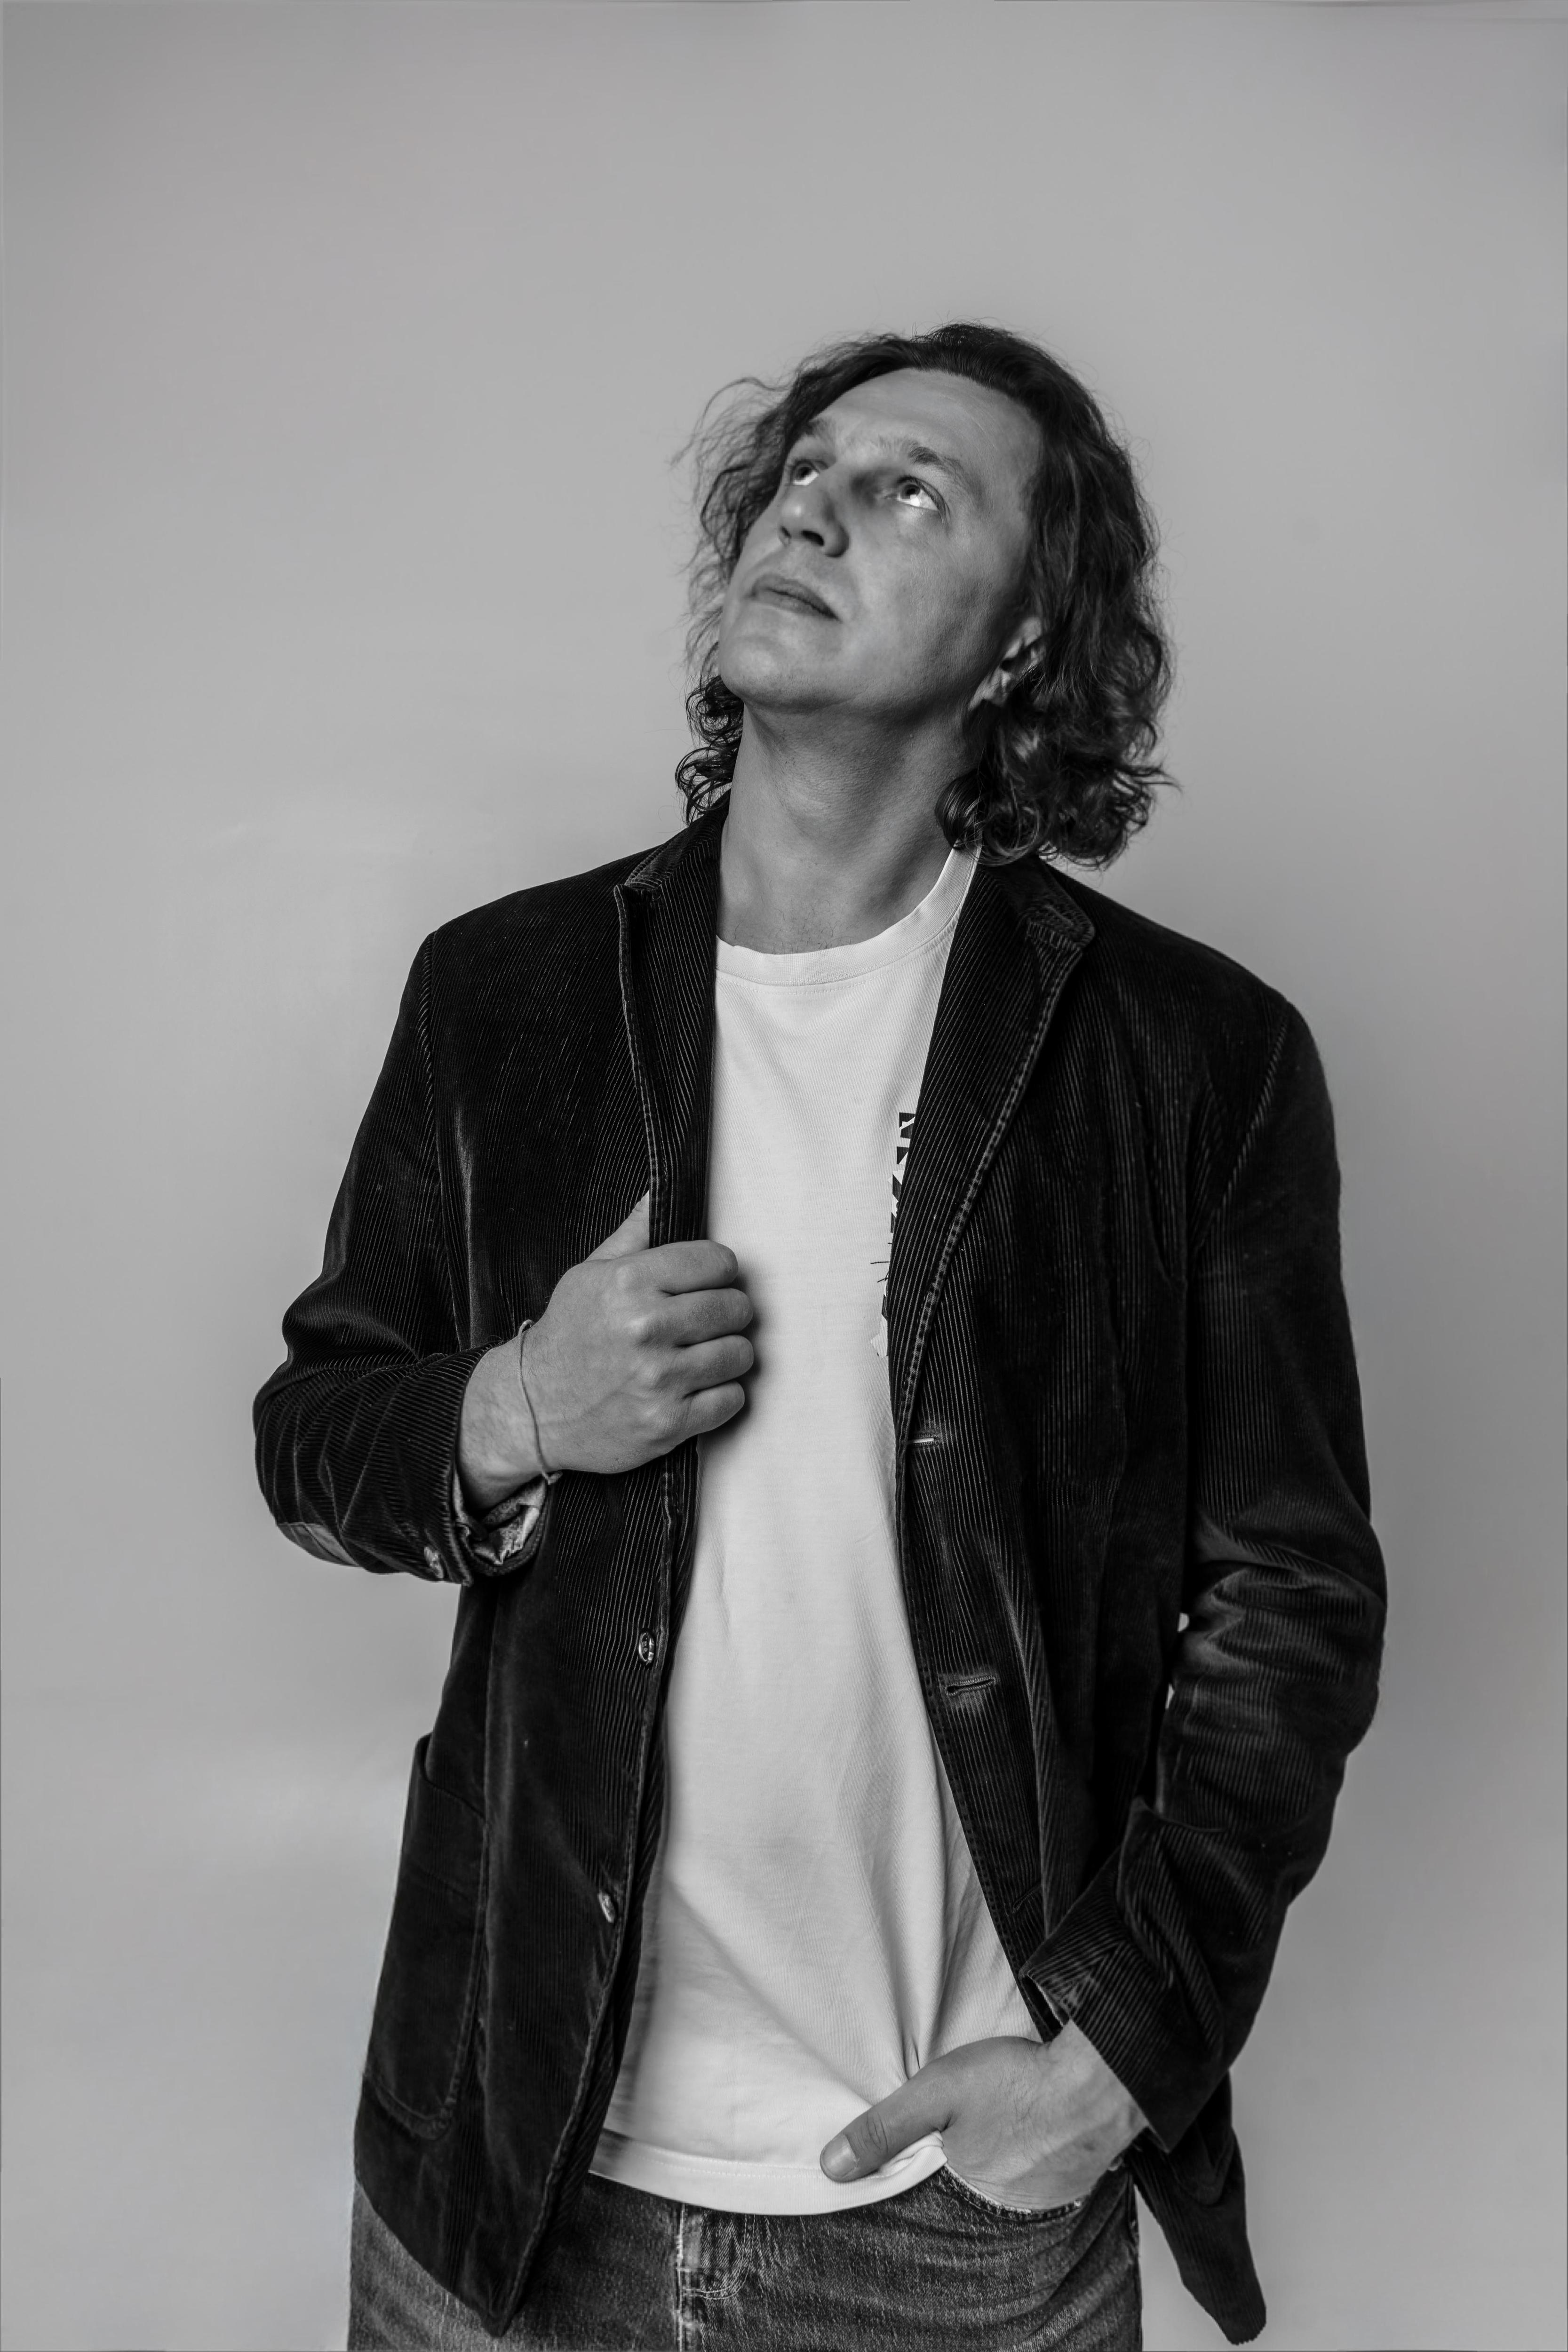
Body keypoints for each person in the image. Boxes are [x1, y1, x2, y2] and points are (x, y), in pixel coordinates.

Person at [255, 323, 1385, 2352]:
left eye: (907, 490)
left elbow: (1290, 1600)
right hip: (505, 2173)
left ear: (1026, 636)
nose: (814, 507)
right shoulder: (504, 993)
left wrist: (1115, 2059)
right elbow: (316, 1431)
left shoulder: (1190, 1061)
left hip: (955, 2218)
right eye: (802, 471)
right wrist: (517, 1405)